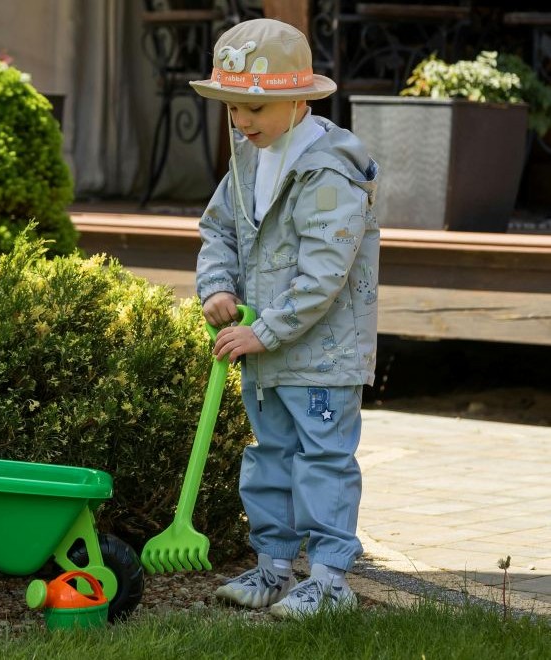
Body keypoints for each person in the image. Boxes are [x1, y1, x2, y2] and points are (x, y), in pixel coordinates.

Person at [189, 18, 380, 617]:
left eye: (254, 108)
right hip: (265, 352)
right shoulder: (249, 159)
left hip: (321, 357)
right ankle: (274, 566)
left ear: (298, 99)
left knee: (321, 459)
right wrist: (217, 285)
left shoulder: (330, 171)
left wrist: (263, 329)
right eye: (232, 108)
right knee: (268, 456)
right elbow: (220, 227)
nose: (241, 122)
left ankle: (328, 578)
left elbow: (324, 272)